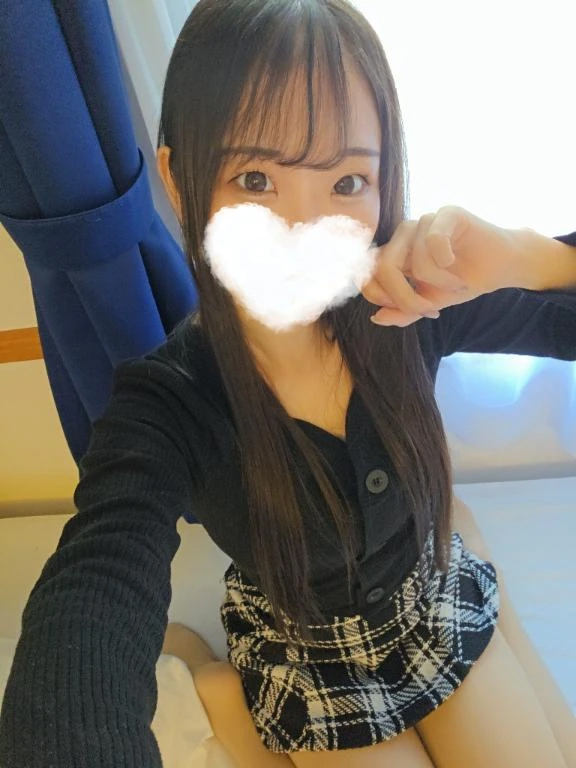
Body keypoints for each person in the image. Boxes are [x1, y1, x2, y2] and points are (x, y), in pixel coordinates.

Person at [0, 0, 575, 766]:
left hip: (431, 598)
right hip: (311, 658)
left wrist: (529, 258)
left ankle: (456, 530)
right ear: (179, 179)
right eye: (256, 178)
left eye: (348, 181)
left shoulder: (411, 302)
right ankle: (215, 678)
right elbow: (96, 577)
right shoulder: (168, 400)